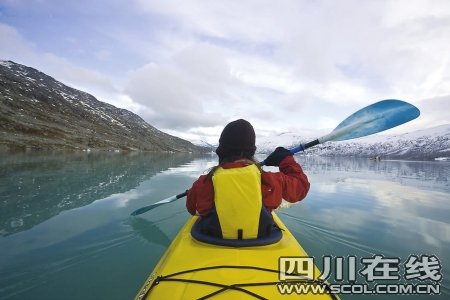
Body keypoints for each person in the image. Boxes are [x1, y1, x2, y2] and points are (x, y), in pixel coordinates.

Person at [187, 119, 310, 241]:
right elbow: (302, 186)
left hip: (212, 240)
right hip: (262, 240)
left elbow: (192, 208)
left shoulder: (203, 183)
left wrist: (193, 191)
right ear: (251, 152)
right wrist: (286, 160)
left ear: (222, 151)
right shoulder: (270, 181)